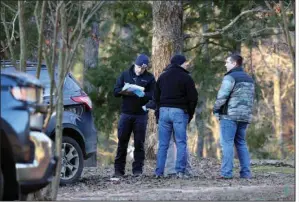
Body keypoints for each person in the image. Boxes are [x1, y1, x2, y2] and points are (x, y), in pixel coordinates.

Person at [154, 54, 198, 178]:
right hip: (179, 112)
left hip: (164, 111)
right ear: (180, 63)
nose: (186, 65)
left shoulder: (162, 77)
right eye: (185, 63)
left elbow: (156, 97)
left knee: (163, 144)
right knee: (181, 142)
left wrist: (158, 112)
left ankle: (159, 172)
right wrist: (189, 114)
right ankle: (180, 171)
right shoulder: (186, 77)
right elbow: (193, 98)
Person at [213, 53, 255, 179]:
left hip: (229, 116)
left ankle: (226, 173)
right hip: (244, 116)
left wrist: (215, 109)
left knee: (227, 143)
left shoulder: (230, 77)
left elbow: (222, 97)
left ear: (234, 63)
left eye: (227, 62)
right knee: (241, 143)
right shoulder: (249, 79)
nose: (225, 64)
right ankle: (246, 173)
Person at [113, 53, 155, 177]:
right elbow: (115, 91)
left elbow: (154, 94)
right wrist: (124, 92)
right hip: (126, 114)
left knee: (139, 143)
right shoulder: (125, 75)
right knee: (122, 142)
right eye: (138, 67)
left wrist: (143, 94)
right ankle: (118, 170)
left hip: (141, 115)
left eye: (143, 69)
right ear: (134, 64)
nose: (140, 70)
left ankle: (137, 170)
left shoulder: (150, 78)